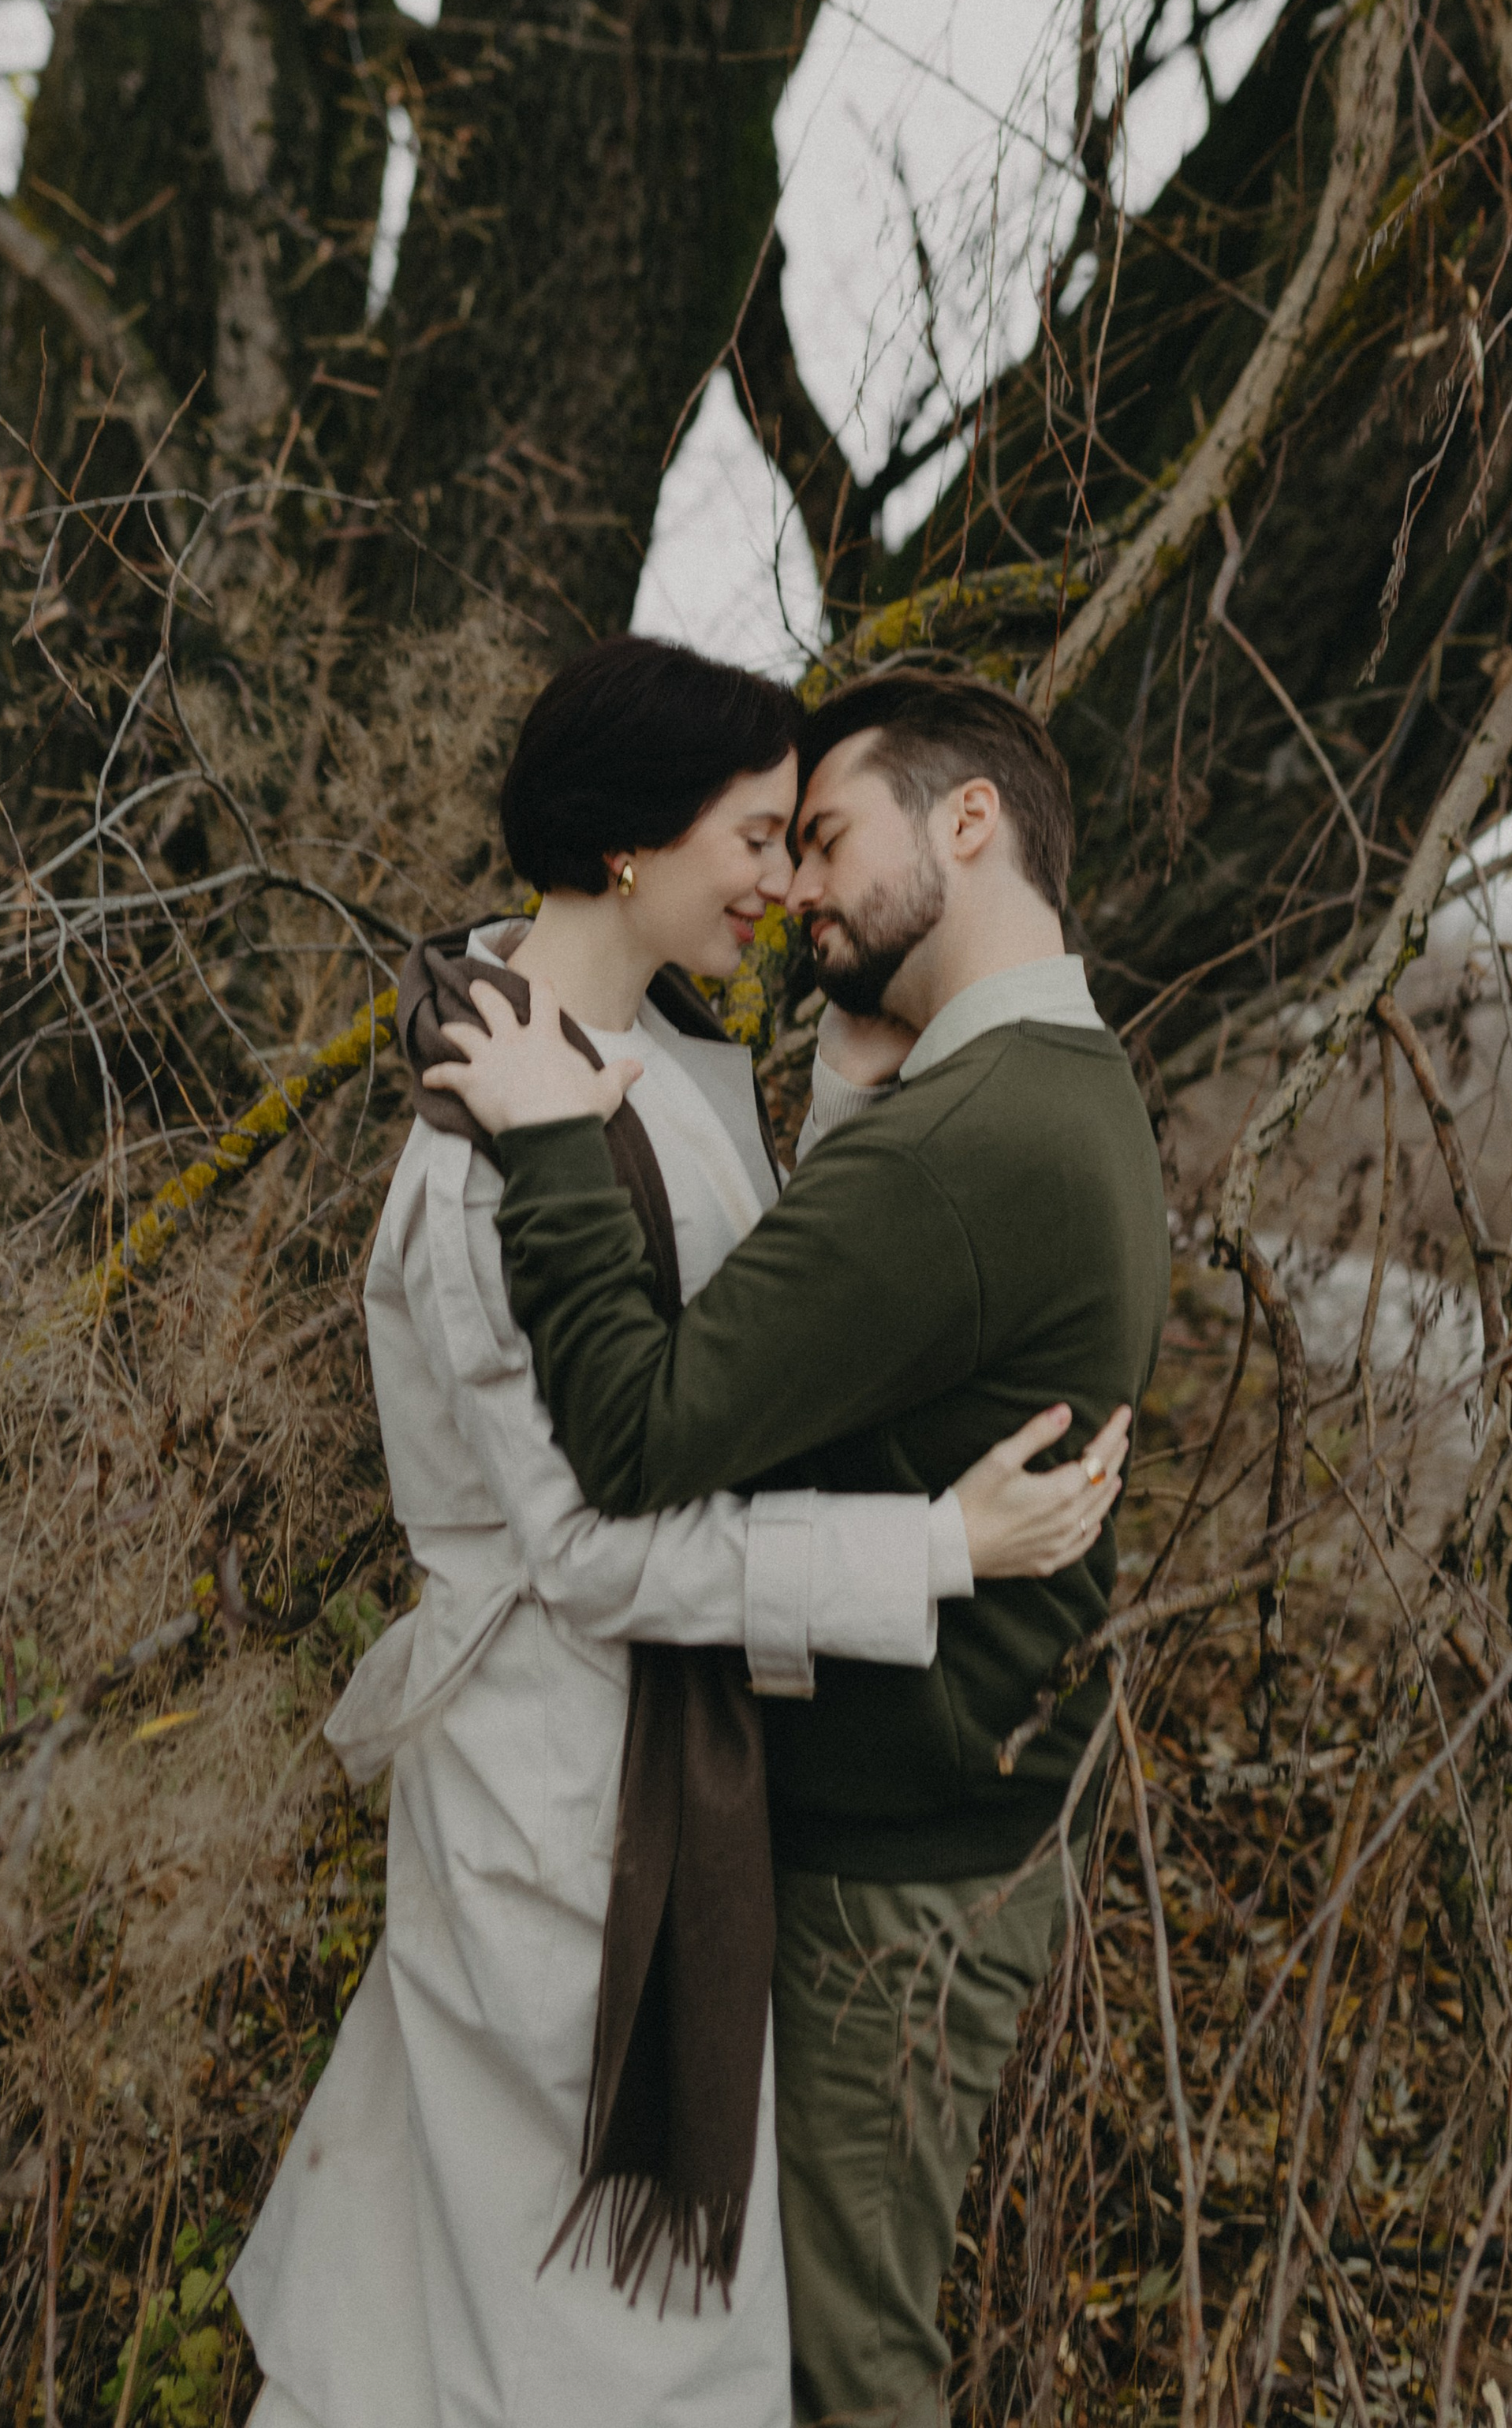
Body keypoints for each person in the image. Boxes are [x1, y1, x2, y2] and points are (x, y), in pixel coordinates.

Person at [230, 641, 1126, 2428]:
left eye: (799, 839)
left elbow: (750, 1324)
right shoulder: (490, 1143)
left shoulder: (669, 1053)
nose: (785, 888)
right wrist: (933, 1552)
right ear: (631, 848)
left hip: (670, 1758)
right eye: (753, 837)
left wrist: (859, 1089)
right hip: (559, 1793)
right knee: (584, 2346)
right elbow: (591, 1551)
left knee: (484, 2309)